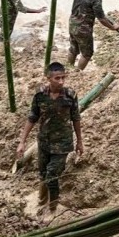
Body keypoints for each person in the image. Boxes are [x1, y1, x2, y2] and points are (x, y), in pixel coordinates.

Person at [16, 62, 84, 212]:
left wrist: (79, 142)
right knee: (42, 173)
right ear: (48, 78)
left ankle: (53, 206)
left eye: (63, 78)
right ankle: (41, 199)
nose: (61, 81)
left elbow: (76, 119)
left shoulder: (70, 95)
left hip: (63, 143)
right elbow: (32, 118)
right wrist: (22, 142)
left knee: (52, 174)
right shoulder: (40, 95)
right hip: (44, 142)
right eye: (57, 78)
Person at [67, 0, 119, 70]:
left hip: (72, 24)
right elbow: (101, 19)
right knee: (87, 54)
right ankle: (77, 73)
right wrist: (113, 27)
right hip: (83, 29)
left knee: (73, 49)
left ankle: (68, 68)